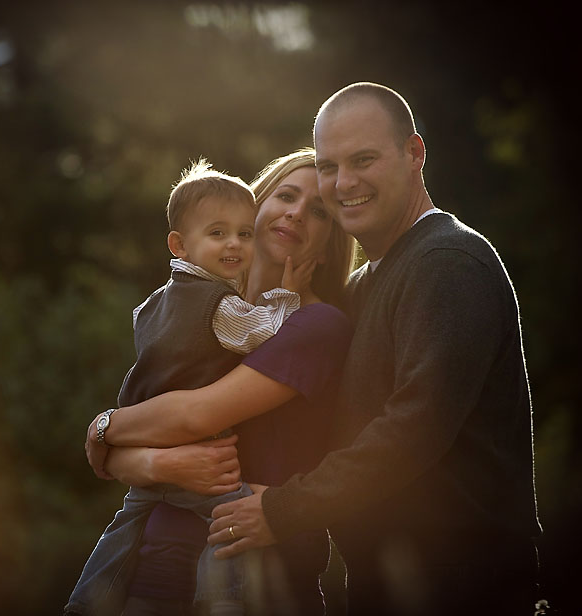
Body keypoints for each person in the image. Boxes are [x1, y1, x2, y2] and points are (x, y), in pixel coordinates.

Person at [91, 82, 543, 615]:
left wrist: (103, 432)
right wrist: (134, 457)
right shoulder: (355, 291)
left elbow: (414, 429)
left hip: (464, 583)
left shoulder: (447, 263)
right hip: (380, 583)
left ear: (415, 153)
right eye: (330, 166)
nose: (342, 183)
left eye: (364, 159)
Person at [82, 149, 357, 615]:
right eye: (286, 196)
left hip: (257, 586)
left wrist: (102, 431)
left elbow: (193, 416)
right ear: (255, 206)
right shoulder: (198, 313)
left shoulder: (318, 325)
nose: (295, 212)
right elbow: (134, 460)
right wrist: (151, 463)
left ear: (330, 243)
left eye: (319, 211)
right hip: (153, 573)